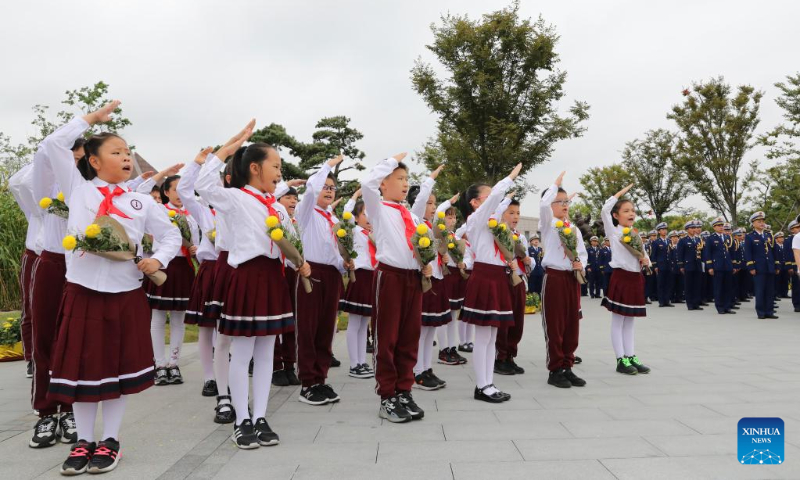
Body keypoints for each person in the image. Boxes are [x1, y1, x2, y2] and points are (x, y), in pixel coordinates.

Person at [42, 101, 181, 474]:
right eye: (115, 152)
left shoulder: (139, 200)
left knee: (117, 370)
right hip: (82, 291)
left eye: (126, 152)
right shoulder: (78, 188)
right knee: (83, 370)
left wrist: (159, 259)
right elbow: (53, 144)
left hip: (125, 294)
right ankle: (83, 442)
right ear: (94, 160)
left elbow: (170, 235)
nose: (125, 157)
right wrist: (90, 119)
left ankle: (111, 441)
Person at [196, 122, 309, 449]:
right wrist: (229, 148)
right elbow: (204, 183)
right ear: (255, 168)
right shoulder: (234, 198)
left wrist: (299, 261)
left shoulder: (277, 206)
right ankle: (242, 420)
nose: (279, 172)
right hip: (246, 277)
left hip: (273, 279)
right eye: (275, 166)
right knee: (242, 352)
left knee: (266, 353)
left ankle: (260, 416)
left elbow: (290, 244)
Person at [362, 153, 430, 423]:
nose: (404, 184)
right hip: (389, 277)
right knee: (387, 337)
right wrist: (390, 162)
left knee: (408, 337)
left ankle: (404, 389)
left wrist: (426, 265)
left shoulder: (412, 217)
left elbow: (419, 248)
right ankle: (386, 395)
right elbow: (367, 184)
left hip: (412, 279)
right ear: (384, 183)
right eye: (399, 178)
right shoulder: (377, 208)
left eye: (406, 179)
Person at [27, 136, 85, 450]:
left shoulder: (91, 189)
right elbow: (49, 144)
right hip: (52, 263)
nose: (74, 166)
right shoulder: (45, 186)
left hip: (84, 266)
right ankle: (46, 412)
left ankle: (72, 410)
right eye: (71, 158)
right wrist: (88, 120)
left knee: (76, 341)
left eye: (79, 160)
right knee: (44, 339)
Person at [457, 163, 522, 402]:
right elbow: (497, 197)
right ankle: (482, 385)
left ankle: (489, 383)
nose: (492, 200)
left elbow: (500, 202)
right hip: (484, 277)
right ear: (475, 202)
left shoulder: (492, 220)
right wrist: (510, 178)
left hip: (497, 276)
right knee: (483, 337)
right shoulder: (476, 218)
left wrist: (509, 194)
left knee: (492, 336)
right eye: (485, 196)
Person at [293, 156, 347, 405]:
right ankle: (307, 383)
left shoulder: (334, 220)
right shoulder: (306, 212)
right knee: (308, 328)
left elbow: (337, 249)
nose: (328, 191)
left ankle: (321, 379)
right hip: (311, 272)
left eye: (332, 187)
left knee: (327, 328)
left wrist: (345, 262)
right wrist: (327, 165)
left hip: (332, 275)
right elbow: (310, 189)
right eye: (325, 187)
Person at [146, 174, 199, 386]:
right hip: (163, 266)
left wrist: (197, 248)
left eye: (183, 189)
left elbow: (197, 242)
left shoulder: (192, 215)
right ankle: (159, 365)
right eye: (175, 189)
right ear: (166, 192)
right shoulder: (158, 210)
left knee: (179, 319)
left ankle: (173, 364)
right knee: (158, 318)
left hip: (184, 269)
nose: (179, 194)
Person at [539, 172, 588, 389]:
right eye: (559, 202)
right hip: (555, 278)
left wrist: (580, 264)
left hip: (571, 279)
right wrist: (554, 185)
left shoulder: (573, 228)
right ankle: (555, 369)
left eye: (566, 201)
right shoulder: (548, 224)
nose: (564, 205)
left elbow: (583, 253)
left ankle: (568, 366)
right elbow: (542, 205)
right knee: (555, 324)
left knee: (571, 324)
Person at [409, 168, 455, 390]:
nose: (433, 206)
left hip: (435, 279)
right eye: (429, 202)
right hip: (423, 281)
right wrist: (430, 180)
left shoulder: (429, 226)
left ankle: (426, 368)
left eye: (434, 203)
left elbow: (431, 248)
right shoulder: (415, 220)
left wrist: (443, 253)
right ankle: (416, 371)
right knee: (421, 329)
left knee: (430, 329)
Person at [600, 184, 651, 375]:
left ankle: (631, 356)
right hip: (621, 277)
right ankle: (620, 359)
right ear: (616, 215)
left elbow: (644, 255)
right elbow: (604, 209)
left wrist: (647, 261)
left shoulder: (635, 234)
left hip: (635, 278)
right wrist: (618, 194)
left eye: (633, 211)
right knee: (618, 320)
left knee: (631, 320)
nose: (631, 214)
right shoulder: (614, 232)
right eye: (626, 211)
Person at [8, 163, 42, 379]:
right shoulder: (33, 194)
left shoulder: (73, 184)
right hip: (36, 254)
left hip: (67, 256)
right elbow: (16, 181)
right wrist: (44, 157)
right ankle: (31, 357)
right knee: (31, 308)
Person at [340, 189, 376, 380]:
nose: (368, 217)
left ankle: (362, 361)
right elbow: (345, 216)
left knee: (364, 325)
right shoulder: (354, 231)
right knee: (355, 323)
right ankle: (354, 364)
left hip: (372, 278)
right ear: (356, 217)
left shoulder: (374, 234)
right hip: (360, 277)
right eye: (364, 213)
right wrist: (354, 197)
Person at [272, 182, 305, 387]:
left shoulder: (295, 222)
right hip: (276, 271)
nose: (293, 201)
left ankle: (290, 364)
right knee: (276, 319)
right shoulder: (272, 217)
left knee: (292, 319)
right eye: (288, 197)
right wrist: (287, 184)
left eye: (295, 198)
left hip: (292, 273)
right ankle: (276, 366)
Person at [494, 197, 529, 376]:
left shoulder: (521, 236)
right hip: (504, 280)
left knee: (517, 321)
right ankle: (500, 357)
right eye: (511, 213)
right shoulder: (497, 232)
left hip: (519, 281)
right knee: (504, 321)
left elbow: (528, 261)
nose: (515, 217)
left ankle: (510, 355)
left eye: (518, 213)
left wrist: (529, 261)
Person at [744, 212, 778, 319]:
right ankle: (761, 312)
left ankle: (769, 311)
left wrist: (776, 266)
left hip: (770, 267)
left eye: (763, 221)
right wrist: (751, 267)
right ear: (753, 224)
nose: (762, 223)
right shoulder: (750, 237)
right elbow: (748, 253)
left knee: (770, 290)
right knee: (760, 290)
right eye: (759, 221)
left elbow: (774, 252)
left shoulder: (768, 235)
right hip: (758, 268)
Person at [677, 221, 703, 311]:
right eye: (692, 228)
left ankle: (696, 303)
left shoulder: (698, 239)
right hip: (688, 265)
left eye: (694, 228)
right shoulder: (683, 240)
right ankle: (690, 304)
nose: (694, 230)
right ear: (687, 229)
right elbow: (680, 254)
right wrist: (681, 266)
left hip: (698, 265)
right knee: (689, 285)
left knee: (697, 285)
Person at [651, 222, 673, 307]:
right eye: (662, 230)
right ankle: (661, 301)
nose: (664, 231)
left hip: (668, 265)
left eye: (665, 229)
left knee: (668, 283)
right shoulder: (656, 242)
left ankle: (667, 301)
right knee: (661, 284)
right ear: (659, 231)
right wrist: (655, 266)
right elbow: (654, 255)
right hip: (660, 265)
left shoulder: (669, 241)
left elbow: (671, 253)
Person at [786, 220, 800, 312]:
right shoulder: (790, 240)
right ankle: (797, 304)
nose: (798, 229)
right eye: (796, 228)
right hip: (795, 265)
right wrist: (789, 266)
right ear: (791, 230)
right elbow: (787, 254)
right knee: (796, 287)